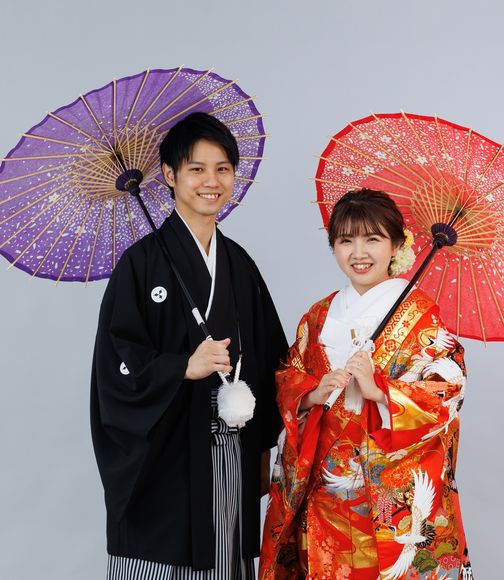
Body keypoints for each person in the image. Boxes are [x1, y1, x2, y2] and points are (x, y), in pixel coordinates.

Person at [91, 112, 288, 579]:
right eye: (196, 169)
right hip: (165, 457)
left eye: (223, 169)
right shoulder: (139, 265)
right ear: (169, 175)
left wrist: (266, 443)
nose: (211, 181)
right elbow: (115, 364)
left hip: (230, 451)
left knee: (224, 561)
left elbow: (272, 360)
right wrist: (181, 367)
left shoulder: (239, 264)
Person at [260, 189, 472, 579]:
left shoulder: (421, 318)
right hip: (322, 489)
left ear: (396, 245)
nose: (359, 253)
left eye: (372, 239)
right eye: (346, 241)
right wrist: (313, 393)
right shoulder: (319, 315)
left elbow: (447, 390)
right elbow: (288, 374)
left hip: (384, 492)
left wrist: (380, 392)